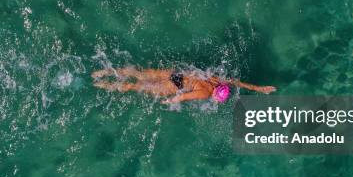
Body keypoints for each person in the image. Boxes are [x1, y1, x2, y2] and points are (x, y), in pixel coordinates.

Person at [92, 66, 276, 104]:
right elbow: (184, 96)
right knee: (135, 86)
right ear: (215, 95)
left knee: (138, 73)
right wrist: (170, 102)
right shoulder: (204, 94)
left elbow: (237, 82)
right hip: (173, 87)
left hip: (177, 74)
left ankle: (104, 72)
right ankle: (103, 85)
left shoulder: (216, 81)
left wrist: (258, 88)